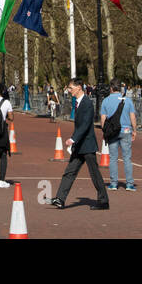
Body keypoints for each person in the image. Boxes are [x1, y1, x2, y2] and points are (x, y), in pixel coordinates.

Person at [52, 78, 108, 210]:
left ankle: (104, 201)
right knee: (69, 172)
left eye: (71, 88)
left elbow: (85, 124)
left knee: (95, 174)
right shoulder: (78, 103)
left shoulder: (87, 103)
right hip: (79, 146)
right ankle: (60, 199)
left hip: (87, 145)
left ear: (78, 87)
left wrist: (73, 139)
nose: (69, 90)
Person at [100, 80, 138, 191]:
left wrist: (104, 131)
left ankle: (113, 183)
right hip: (126, 129)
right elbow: (133, 117)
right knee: (127, 158)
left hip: (112, 131)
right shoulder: (128, 101)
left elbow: (103, 118)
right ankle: (130, 183)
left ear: (111, 88)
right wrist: (134, 130)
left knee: (113, 158)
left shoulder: (106, 101)